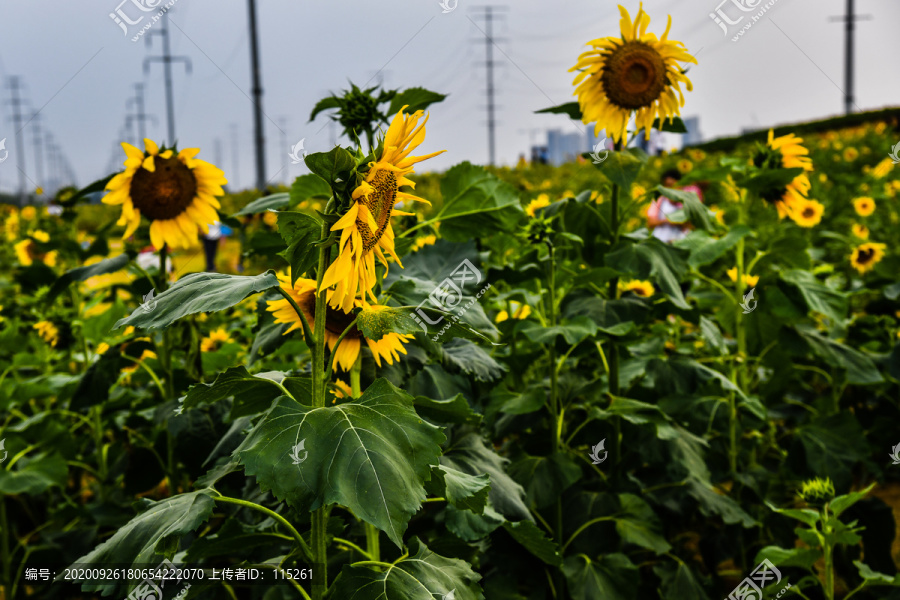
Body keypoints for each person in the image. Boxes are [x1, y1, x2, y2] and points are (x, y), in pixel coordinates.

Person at [646, 169, 704, 243]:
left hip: (679, 242)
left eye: (672, 185)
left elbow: (692, 225)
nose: (669, 189)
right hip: (659, 241)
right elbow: (650, 223)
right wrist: (669, 220)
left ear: (680, 184)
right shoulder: (660, 199)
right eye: (666, 185)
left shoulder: (686, 201)